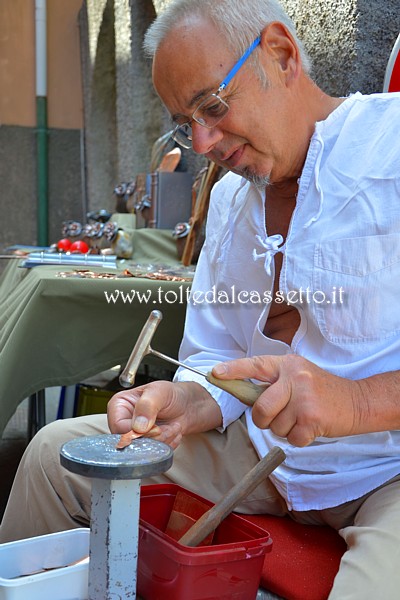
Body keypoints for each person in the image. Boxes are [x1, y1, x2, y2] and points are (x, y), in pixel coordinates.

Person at [1, 0, 400, 597]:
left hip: (386, 470)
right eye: (185, 125)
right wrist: (183, 399)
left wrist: (359, 402)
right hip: (264, 453)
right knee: (55, 457)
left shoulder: (392, 147)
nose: (205, 141)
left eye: (213, 106)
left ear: (283, 53)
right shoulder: (230, 202)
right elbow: (214, 363)